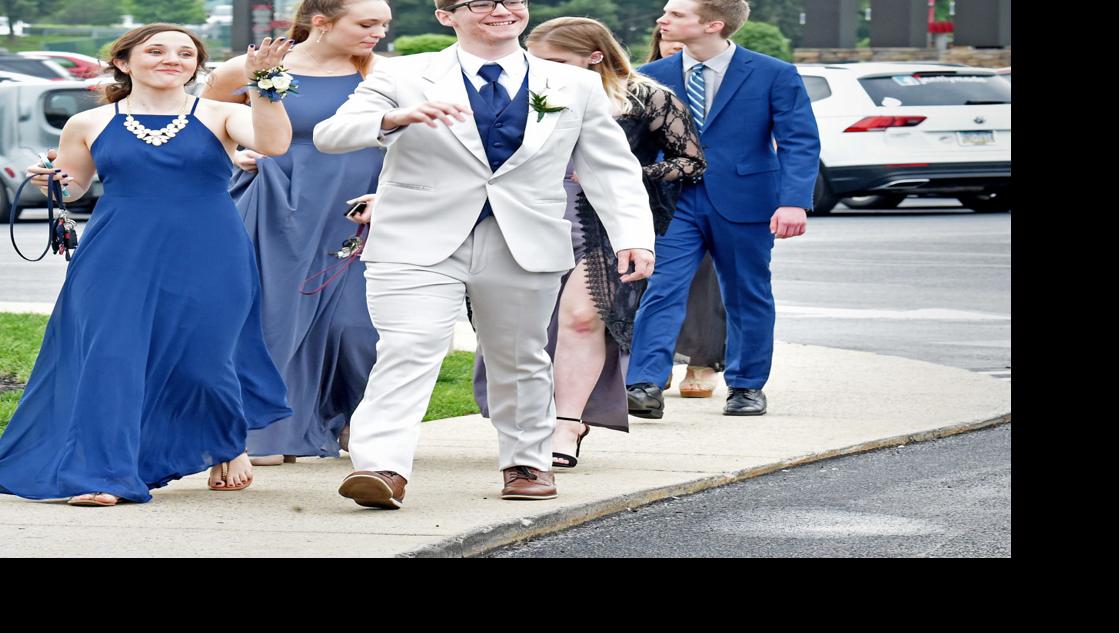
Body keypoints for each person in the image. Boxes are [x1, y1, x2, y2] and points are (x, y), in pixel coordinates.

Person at [311, 0, 655, 509]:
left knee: (518, 356)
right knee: (408, 348)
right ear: (445, 14)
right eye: (481, 2)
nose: (501, 10)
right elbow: (329, 135)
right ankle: (381, 466)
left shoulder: (573, 84)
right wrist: (393, 118)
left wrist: (633, 235)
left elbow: (611, 168)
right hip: (416, 237)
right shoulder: (401, 74)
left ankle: (526, 462)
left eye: (511, 0)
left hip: (525, 240)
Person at [0, 25, 294, 506]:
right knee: (111, 359)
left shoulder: (222, 113)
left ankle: (224, 440)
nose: (171, 59)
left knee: (205, 359)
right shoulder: (89, 122)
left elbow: (275, 143)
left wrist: (266, 84)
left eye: (184, 53)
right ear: (123, 62)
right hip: (116, 252)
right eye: (156, 50)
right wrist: (49, 180)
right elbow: (73, 187)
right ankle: (102, 474)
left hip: (210, 251)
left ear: (197, 66)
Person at [477, 16, 702, 468]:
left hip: (605, 222)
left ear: (594, 56)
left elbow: (691, 162)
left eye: (557, 60)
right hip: (531, 213)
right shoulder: (521, 90)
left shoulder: (647, 96)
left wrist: (629, 174)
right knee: (528, 326)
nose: (543, 68)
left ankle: (567, 424)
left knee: (583, 318)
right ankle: (527, 422)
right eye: (537, 59)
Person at [202, 0, 391, 466]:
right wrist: (232, 154)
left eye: (384, 24)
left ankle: (353, 418)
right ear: (322, 23)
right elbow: (202, 123)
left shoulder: (383, 74)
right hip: (277, 204)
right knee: (272, 318)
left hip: (355, 210)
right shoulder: (251, 67)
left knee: (357, 327)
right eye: (367, 23)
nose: (379, 33)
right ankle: (266, 428)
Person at [626, 0, 820, 418]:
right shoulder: (649, 77)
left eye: (676, 14)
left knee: (747, 294)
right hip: (673, 201)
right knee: (662, 288)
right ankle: (643, 383)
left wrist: (793, 202)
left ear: (713, 24)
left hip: (746, 201)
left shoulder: (773, 73)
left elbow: (799, 140)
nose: (662, 20)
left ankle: (747, 386)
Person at [647, 26, 726, 399]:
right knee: (647, 280)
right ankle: (650, 362)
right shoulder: (640, 82)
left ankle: (703, 359)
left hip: (708, 192)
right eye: (669, 43)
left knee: (702, 281)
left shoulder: (724, 77)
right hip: (648, 192)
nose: (676, 50)